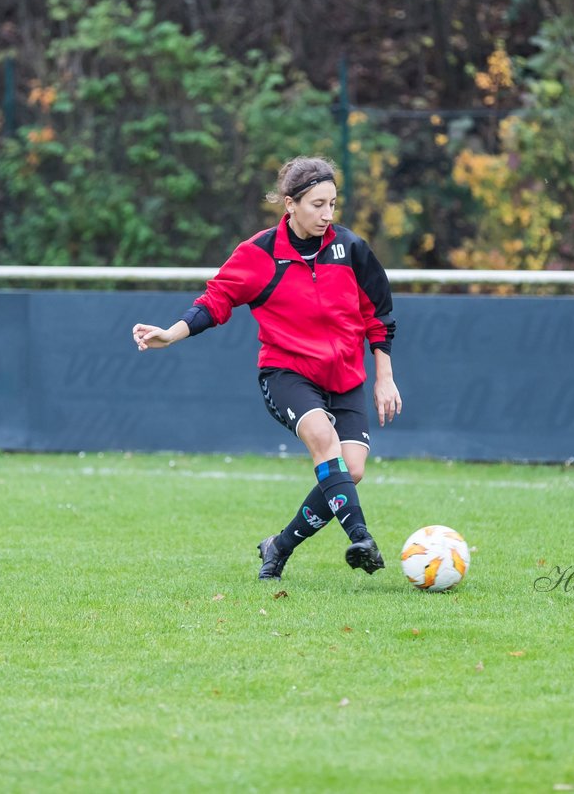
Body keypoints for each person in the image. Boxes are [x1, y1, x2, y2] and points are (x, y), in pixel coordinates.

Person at [132, 155, 402, 580]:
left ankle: (278, 546)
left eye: (332, 203)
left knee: (350, 471)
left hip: (346, 377)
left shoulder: (350, 249)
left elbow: (379, 315)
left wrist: (384, 377)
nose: (327, 214)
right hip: (286, 373)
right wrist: (170, 333)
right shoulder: (258, 254)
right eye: (317, 204)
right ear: (290, 204)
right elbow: (215, 301)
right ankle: (361, 537)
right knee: (321, 436)